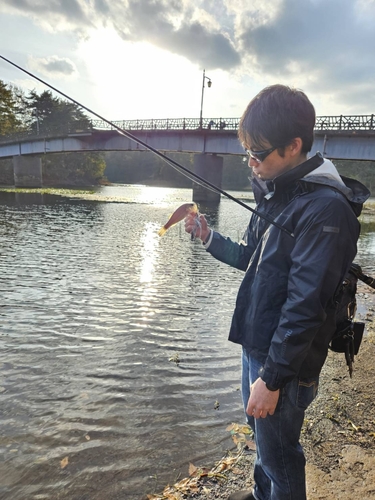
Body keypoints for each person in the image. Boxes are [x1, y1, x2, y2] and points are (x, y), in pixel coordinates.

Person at [184, 84, 370, 500]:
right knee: (262, 441)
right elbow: (252, 258)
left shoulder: (326, 210)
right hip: (258, 345)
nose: (251, 163)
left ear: (294, 146)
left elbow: (305, 307)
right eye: (246, 152)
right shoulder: (278, 194)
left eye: (259, 153)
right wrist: (210, 237)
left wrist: (271, 379)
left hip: (283, 362)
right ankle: (259, 493)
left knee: (280, 452)